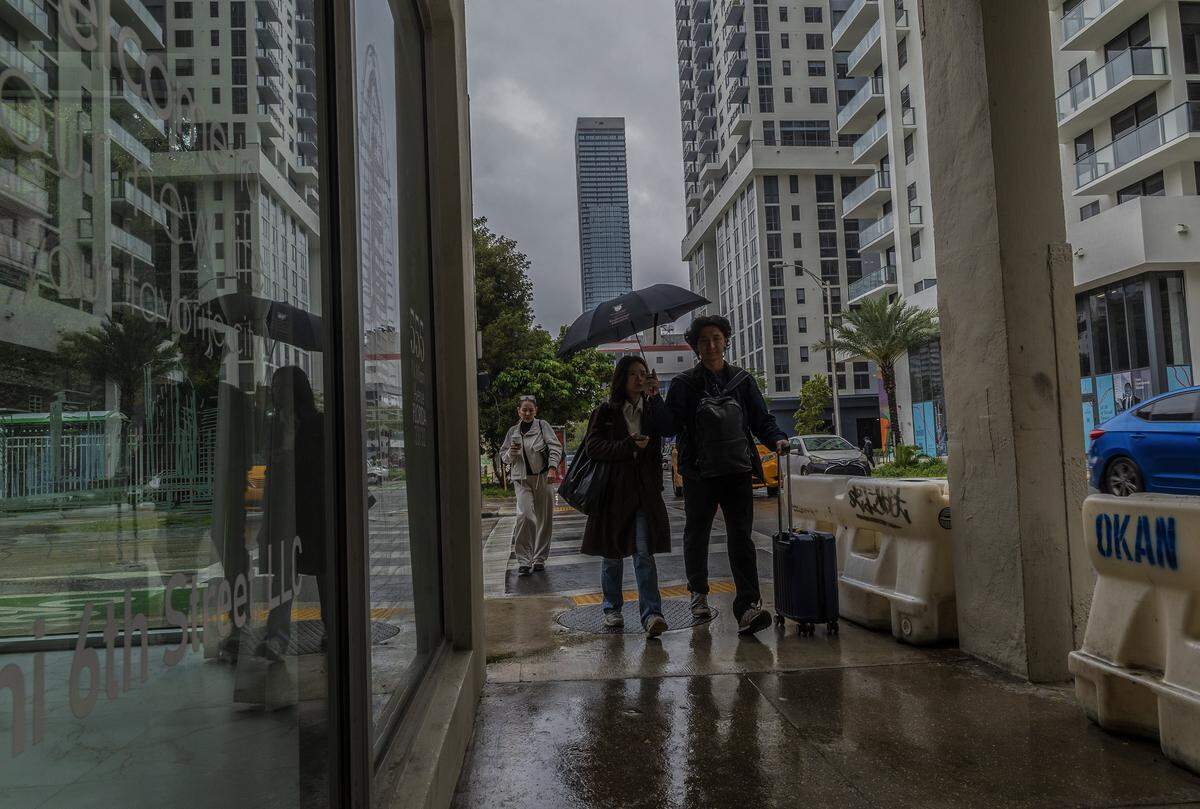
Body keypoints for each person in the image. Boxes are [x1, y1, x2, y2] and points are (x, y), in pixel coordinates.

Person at [667, 315, 789, 636]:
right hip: (699, 474)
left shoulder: (743, 381)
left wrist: (777, 439)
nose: (711, 345)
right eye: (704, 340)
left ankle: (748, 606)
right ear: (695, 347)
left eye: (716, 338)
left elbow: (761, 420)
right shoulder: (683, 385)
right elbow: (668, 426)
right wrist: (655, 399)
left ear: (726, 342)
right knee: (697, 534)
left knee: (741, 538)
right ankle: (698, 594)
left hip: (737, 471)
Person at [580, 356, 675, 636]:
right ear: (621, 378)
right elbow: (593, 447)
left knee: (644, 553)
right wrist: (627, 446)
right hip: (613, 493)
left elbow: (669, 428)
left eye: (643, 373)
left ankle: (652, 613)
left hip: (644, 493)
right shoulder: (606, 411)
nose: (639, 378)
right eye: (633, 374)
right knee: (612, 554)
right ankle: (612, 609)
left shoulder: (651, 409)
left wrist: (656, 396)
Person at [503, 396, 563, 575]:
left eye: (531, 410)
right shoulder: (512, 432)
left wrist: (552, 468)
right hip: (521, 480)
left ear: (536, 410)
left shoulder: (543, 426)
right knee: (525, 516)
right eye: (524, 410)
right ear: (518, 411)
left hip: (543, 478)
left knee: (544, 520)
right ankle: (524, 560)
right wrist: (511, 452)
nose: (527, 413)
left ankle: (539, 559)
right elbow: (504, 458)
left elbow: (555, 447)